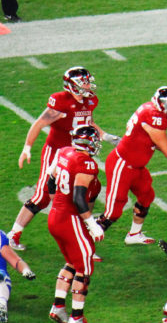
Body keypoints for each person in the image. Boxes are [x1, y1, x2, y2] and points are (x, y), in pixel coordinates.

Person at [9, 67, 115, 251]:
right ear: (72, 86)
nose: (89, 86)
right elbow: (39, 124)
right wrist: (27, 148)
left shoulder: (89, 100)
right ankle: (12, 235)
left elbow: (86, 122)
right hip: (56, 152)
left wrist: (105, 136)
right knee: (42, 196)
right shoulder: (60, 102)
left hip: (76, 153)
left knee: (88, 190)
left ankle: (83, 239)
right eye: (85, 83)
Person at [99, 86, 167, 245]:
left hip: (137, 166)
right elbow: (166, 149)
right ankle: (84, 240)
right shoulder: (155, 117)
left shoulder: (150, 109)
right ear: (164, 104)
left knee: (146, 196)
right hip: (123, 165)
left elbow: (152, 141)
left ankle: (133, 235)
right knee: (112, 213)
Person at [46, 125, 107, 323]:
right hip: (70, 218)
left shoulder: (64, 152)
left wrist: (55, 202)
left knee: (72, 262)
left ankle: (58, 307)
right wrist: (92, 224)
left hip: (55, 216)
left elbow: (50, 177)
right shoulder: (86, 163)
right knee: (85, 267)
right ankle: (76, 318)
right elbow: (79, 198)